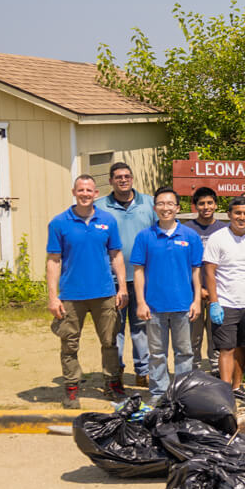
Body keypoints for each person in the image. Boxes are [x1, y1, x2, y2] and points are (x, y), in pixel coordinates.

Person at [47, 175, 129, 407]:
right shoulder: (59, 223)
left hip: (104, 293)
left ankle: (112, 383)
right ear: (74, 192)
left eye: (89, 190)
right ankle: (72, 388)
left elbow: (116, 255)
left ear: (96, 194)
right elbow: (53, 261)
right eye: (81, 190)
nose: (85, 194)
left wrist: (122, 287)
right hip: (72, 296)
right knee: (69, 343)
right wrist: (53, 297)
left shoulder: (108, 220)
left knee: (110, 341)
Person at [131, 187, 203, 404]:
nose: (165, 208)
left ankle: (181, 393)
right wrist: (141, 302)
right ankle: (159, 393)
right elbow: (138, 271)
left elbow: (196, 271)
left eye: (170, 204)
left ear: (177, 208)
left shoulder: (190, 236)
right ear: (155, 208)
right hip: (154, 306)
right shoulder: (145, 237)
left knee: (184, 352)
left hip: (183, 305)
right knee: (156, 353)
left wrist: (197, 300)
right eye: (161, 204)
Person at [203, 197, 245, 400]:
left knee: (242, 346)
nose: (241, 217)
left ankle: (237, 386)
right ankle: (225, 392)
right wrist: (214, 302)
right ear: (229, 215)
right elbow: (209, 272)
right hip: (225, 303)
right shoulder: (217, 238)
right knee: (226, 348)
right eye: (237, 213)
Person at [94, 161, 155, 387]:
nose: (123, 180)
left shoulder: (148, 203)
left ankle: (143, 371)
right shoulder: (100, 207)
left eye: (126, 176)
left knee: (141, 327)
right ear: (111, 181)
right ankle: (115, 371)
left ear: (132, 179)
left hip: (142, 277)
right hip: (110, 278)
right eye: (118, 177)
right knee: (114, 328)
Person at [182, 187, 227, 371]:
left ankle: (216, 367)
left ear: (216, 205)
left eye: (209, 203)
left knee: (216, 330)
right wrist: (197, 288)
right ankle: (193, 367)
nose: (206, 207)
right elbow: (184, 262)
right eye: (201, 203)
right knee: (194, 333)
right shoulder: (186, 229)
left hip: (219, 289)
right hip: (193, 291)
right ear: (195, 206)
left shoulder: (224, 229)